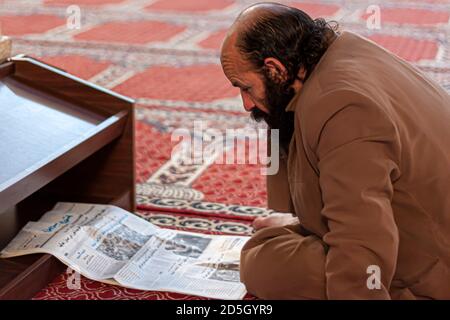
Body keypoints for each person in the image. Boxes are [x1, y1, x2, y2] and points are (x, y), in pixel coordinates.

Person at [220, 2, 450, 299]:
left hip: (436, 263)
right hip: (424, 222)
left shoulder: (342, 106)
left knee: (264, 263)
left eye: (245, 88)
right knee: (278, 113)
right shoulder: (339, 53)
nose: (245, 103)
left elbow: (362, 239)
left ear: (274, 68)